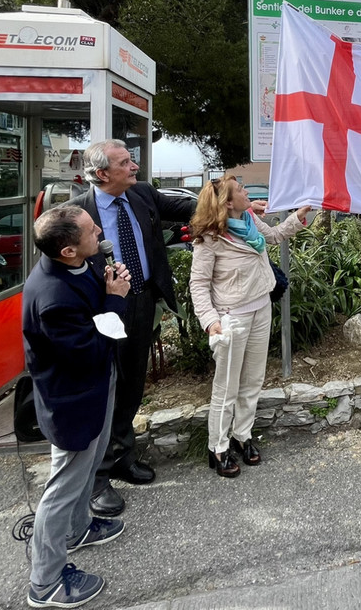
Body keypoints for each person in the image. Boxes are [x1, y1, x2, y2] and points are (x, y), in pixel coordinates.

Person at [69, 140, 196, 517]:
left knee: (131, 386)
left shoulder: (141, 194)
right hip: (101, 311)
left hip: (140, 301)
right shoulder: (76, 213)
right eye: (126, 162)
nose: (135, 167)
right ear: (103, 174)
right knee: (103, 390)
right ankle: (97, 479)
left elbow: (188, 206)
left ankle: (124, 457)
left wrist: (232, 203)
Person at [23, 206, 131, 607]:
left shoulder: (77, 263)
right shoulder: (53, 299)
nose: (99, 231)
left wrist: (107, 287)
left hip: (96, 386)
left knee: (90, 460)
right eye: (90, 230)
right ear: (67, 250)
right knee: (62, 488)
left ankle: (78, 529)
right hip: (74, 400)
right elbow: (87, 350)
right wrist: (116, 300)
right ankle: (45, 581)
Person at [189, 177, 309, 477]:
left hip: (260, 308)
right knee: (226, 387)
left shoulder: (251, 220)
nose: (247, 193)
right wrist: (210, 322)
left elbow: (275, 235)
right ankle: (218, 446)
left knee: (253, 380)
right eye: (241, 190)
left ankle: (242, 435)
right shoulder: (209, 239)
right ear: (228, 202)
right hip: (231, 320)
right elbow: (199, 284)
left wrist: (299, 215)